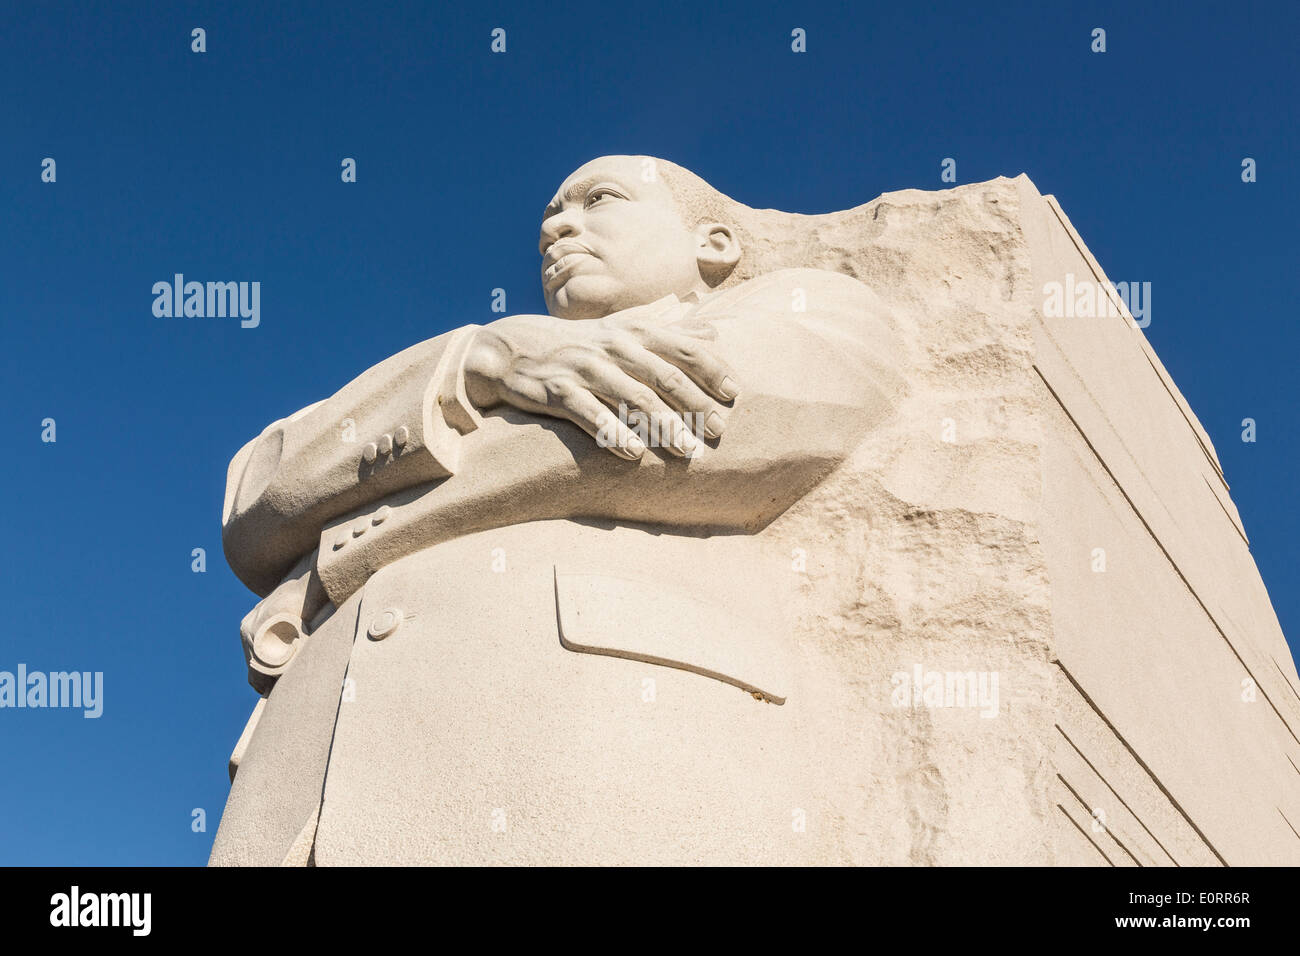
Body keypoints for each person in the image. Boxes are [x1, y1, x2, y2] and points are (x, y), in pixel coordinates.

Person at [212, 156, 905, 865]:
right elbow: (255, 501)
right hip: (302, 788)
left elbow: (686, 424)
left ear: (715, 243)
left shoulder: (804, 306)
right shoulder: (469, 362)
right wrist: (478, 361)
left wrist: (337, 547)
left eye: (597, 199)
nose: (557, 228)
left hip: (593, 748)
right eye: (548, 218)